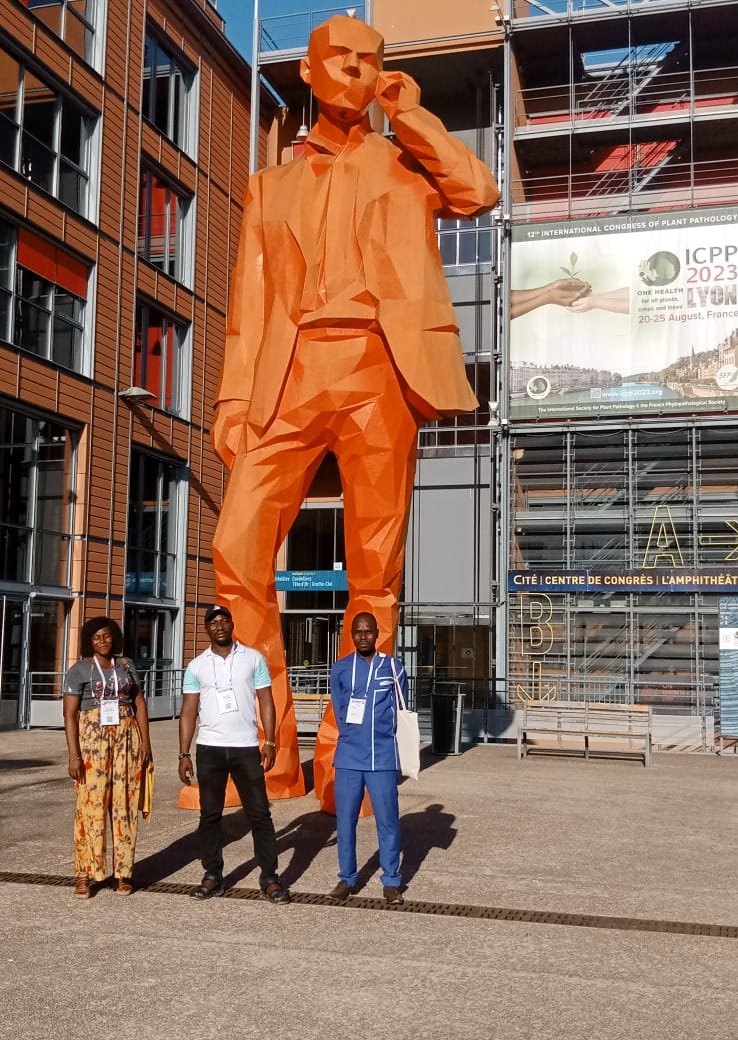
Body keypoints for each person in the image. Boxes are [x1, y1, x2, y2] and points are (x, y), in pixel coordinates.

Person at [210, 14, 499, 811]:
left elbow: (479, 190)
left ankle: (348, 760)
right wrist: (234, 397)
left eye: (369, 61)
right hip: (290, 372)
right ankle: (266, 761)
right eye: (338, 59)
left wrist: (410, 112)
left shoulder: (406, 162)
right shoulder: (269, 184)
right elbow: (250, 300)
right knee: (235, 549)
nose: (354, 70)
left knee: (376, 576)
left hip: (380, 367)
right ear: (307, 71)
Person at [178, 604, 290, 903]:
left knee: (259, 815)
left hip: (245, 747)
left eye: (223, 620)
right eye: (213, 622)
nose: (219, 626)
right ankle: (212, 874)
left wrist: (269, 742)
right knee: (210, 815)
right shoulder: (196, 666)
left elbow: (266, 700)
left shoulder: (253, 659)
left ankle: (269, 877)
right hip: (209, 748)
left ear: (231, 623)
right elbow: (188, 711)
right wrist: (183, 753)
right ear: (206, 628)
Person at [63, 616, 152, 898]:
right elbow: (69, 714)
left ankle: (122, 873)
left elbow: (138, 702)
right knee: (90, 806)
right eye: (96, 637)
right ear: (88, 641)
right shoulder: (78, 670)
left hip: (126, 737)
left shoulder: (125, 665)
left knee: (124, 804)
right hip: (92, 740)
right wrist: (74, 755)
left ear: (114, 637)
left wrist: (146, 744)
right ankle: (84, 874)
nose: (103, 641)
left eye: (107, 636)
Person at [328, 612, 408, 904]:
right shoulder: (340, 669)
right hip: (349, 756)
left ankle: (391, 880)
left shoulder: (394, 667)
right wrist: (350, 733)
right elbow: (339, 708)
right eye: (358, 632)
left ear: (377, 633)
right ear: (351, 634)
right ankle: (347, 878)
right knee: (345, 821)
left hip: (382, 757)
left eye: (368, 632)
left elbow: (402, 709)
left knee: (387, 821)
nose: (363, 636)